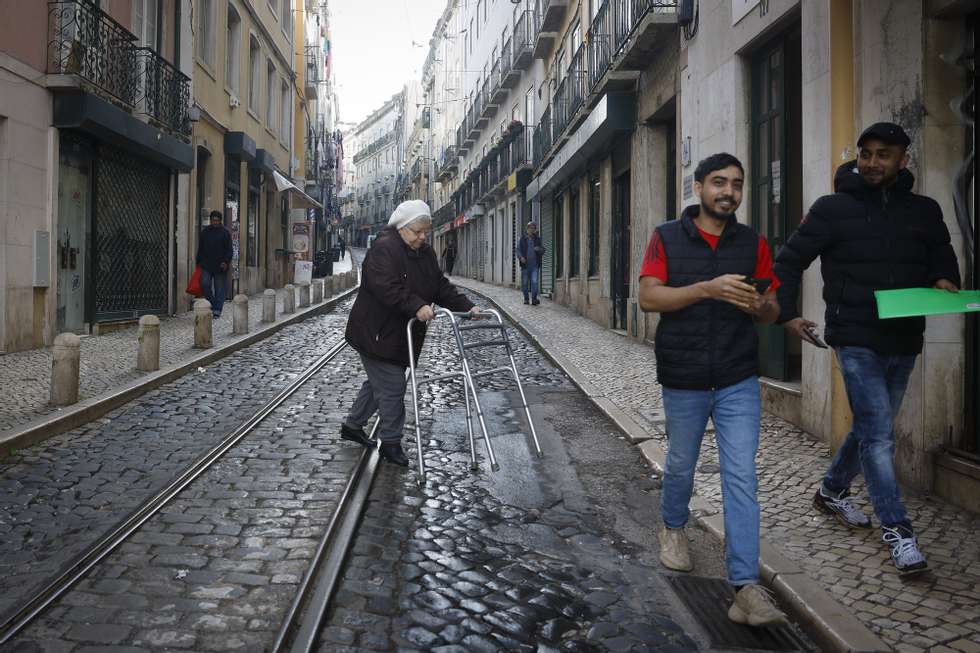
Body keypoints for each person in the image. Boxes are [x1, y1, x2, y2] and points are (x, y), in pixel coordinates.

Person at [774, 122, 961, 575]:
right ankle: (898, 531)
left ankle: (833, 490)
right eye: (866, 153)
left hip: (904, 334)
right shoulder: (832, 209)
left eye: (883, 154)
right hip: (854, 334)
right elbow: (790, 260)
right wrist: (785, 314)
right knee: (880, 436)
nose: (873, 162)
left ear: (903, 160)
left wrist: (944, 278)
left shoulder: (924, 209)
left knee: (870, 426)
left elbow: (942, 253)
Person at [639, 153, 787, 627]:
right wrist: (708, 289)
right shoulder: (666, 236)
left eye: (737, 184)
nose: (729, 191)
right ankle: (674, 527)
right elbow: (648, 297)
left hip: (737, 376)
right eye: (719, 182)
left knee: (740, 474)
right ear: (698, 187)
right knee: (681, 462)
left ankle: (745, 588)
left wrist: (759, 303)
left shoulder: (753, 243)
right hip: (683, 376)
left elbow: (771, 310)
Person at [341, 200, 480, 466]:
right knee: (392, 385)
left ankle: (353, 425)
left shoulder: (424, 253)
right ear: (402, 227)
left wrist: (468, 306)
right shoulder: (384, 249)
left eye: (426, 231)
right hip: (376, 333)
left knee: (379, 383)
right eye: (417, 231)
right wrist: (416, 305)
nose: (423, 236)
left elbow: (439, 286)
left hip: (399, 336)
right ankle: (390, 443)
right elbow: (387, 287)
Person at [196, 210, 233, 319]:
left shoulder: (225, 232)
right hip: (206, 265)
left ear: (220, 221)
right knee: (205, 284)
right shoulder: (205, 232)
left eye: (217, 220)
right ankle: (213, 303)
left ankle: (217, 309)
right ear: (210, 220)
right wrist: (199, 263)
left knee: (219, 288)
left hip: (220, 265)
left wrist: (226, 262)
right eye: (213, 220)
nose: (215, 222)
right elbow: (200, 248)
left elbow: (229, 250)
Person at [516, 222, 544, 305]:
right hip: (525, 266)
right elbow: (518, 250)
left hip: (535, 265)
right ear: (527, 229)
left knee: (534, 282)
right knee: (525, 283)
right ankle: (526, 299)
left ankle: (534, 299)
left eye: (533, 228)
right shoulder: (522, 239)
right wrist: (521, 257)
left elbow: (543, 250)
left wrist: (538, 249)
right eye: (530, 228)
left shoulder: (537, 239)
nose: (532, 230)